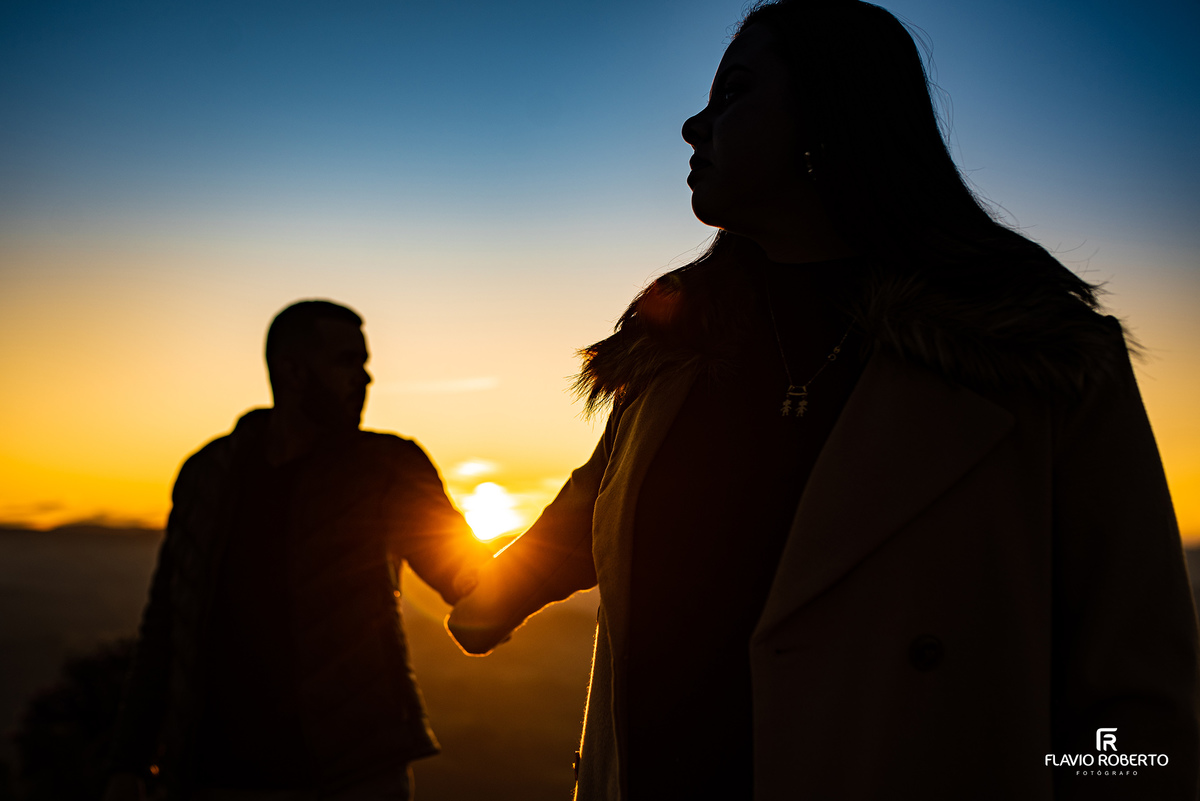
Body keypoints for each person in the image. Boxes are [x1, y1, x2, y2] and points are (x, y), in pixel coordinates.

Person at [447, 1, 1200, 799]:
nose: (692, 126)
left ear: (833, 114)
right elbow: (597, 498)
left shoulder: (1038, 361)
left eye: (733, 93)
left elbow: (1136, 691)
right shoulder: (675, 344)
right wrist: (494, 595)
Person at [105, 299, 487, 801]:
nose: (366, 378)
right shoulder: (208, 473)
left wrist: (555, 560)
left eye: (365, 362)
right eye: (347, 362)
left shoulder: (387, 467)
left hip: (350, 773)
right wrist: (129, 760)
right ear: (292, 371)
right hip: (208, 773)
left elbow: (461, 573)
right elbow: (164, 625)